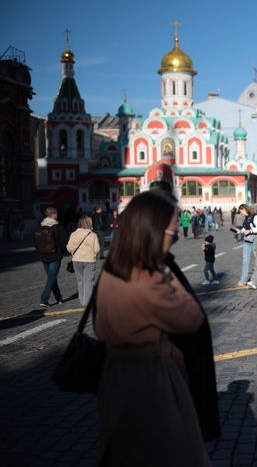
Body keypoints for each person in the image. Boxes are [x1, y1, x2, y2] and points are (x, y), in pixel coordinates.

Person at [94, 191, 214, 465]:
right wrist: (167, 274)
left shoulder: (113, 269)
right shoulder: (149, 278)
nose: (176, 237)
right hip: (152, 379)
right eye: (173, 232)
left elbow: (99, 327)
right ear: (154, 232)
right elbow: (191, 317)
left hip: (115, 377)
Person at [34, 207, 68, 308]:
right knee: (52, 277)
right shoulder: (57, 227)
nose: (57, 215)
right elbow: (65, 242)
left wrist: (41, 251)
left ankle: (58, 298)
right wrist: (61, 252)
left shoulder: (39, 226)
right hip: (55, 256)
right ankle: (44, 299)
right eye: (56, 213)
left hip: (44, 256)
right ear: (53, 215)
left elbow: (35, 242)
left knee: (51, 277)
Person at [66, 215, 101, 307]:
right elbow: (97, 249)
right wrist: (93, 254)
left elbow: (69, 248)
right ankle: (87, 301)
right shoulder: (93, 235)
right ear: (90, 223)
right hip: (89, 260)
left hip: (76, 260)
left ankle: (82, 300)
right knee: (89, 281)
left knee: (80, 281)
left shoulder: (73, 234)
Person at [235, 204, 257, 287]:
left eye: (241, 211)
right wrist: (239, 231)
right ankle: (243, 280)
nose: (240, 213)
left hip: (255, 239)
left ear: (244, 209)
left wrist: (250, 231)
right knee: (245, 261)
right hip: (247, 240)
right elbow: (245, 228)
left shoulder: (255, 217)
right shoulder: (246, 218)